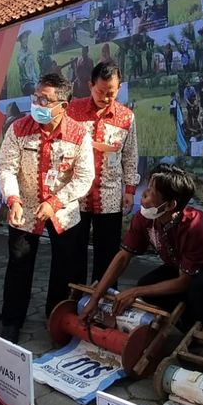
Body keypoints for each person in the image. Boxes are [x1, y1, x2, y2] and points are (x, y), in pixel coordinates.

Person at [79, 164, 203, 331]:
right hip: (184, 262)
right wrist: (95, 298)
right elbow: (123, 257)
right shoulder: (144, 218)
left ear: (169, 205)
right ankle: (187, 324)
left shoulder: (194, 228)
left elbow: (183, 282)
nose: (144, 194)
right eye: (147, 187)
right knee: (149, 285)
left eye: (151, 192)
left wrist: (134, 292)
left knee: (200, 289)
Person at [0, 73, 94, 344]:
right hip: (24, 210)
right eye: (36, 97)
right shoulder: (18, 128)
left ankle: (59, 320)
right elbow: (6, 168)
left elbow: (84, 177)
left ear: (63, 105)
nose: (37, 103)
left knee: (66, 269)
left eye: (45, 99)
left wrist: (55, 202)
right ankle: (12, 322)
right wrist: (13, 199)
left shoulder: (79, 133)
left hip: (63, 212)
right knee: (19, 266)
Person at [67, 62, 139, 289]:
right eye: (100, 92)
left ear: (119, 89)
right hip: (75, 195)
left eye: (111, 93)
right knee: (73, 252)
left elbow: (130, 155)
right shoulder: (73, 110)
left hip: (109, 195)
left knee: (107, 253)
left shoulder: (127, 117)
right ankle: (73, 299)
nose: (105, 98)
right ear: (90, 85)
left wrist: (129, 191)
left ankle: (103, 301)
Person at [17, 30, 39, 96]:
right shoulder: (20, 54)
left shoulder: (30, 51)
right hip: (26, 83)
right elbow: (20, 65)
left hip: (34, 80)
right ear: (20, 40)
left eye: (26, 37)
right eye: (23, 38)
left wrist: (37, 78)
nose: (25, 40)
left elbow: (33, 66)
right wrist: (25, 56)